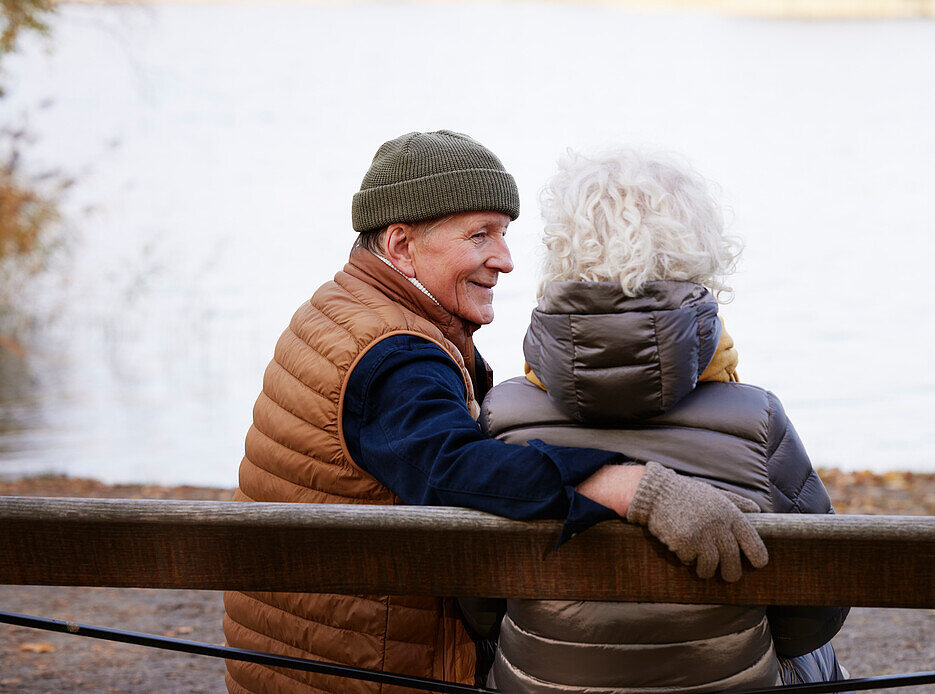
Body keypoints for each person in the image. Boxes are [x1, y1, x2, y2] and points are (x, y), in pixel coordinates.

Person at [221, 131, 769, 694]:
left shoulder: (347, 309)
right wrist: (629, 486)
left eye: (504, 234)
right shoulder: (394, 353)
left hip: (302, 643)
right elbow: (452, 470)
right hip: (359, 667)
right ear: (402, 245)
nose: (504, 260)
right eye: (479, 235)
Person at [479, 148, 849, 693]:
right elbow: (813, 616)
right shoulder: (756, 418)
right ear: (695, 256)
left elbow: (478, 607)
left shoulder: (504, 417)